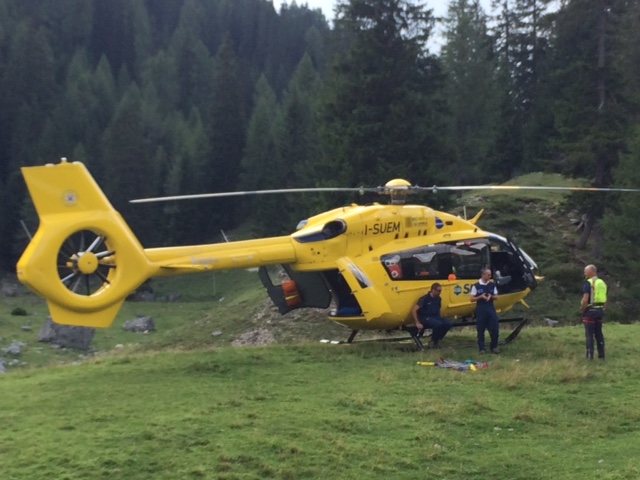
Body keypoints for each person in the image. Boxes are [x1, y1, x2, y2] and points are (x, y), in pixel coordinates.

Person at [411, 283, 452, 348]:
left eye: (441, 291)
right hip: (425, 317)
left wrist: (440, 317)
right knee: (438, 324)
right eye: (438, 291)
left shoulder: (438, 299)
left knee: (448, 323)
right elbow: (414, 310)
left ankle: (437, 339)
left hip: (435, 316)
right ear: (433, 290)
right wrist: (417, 322)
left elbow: (438, 309)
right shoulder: (424, 299)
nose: (440, 292)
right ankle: (433, 341)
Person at [581, 264, 607, 360]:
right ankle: (602, 355)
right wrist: (603, 309)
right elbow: (605, 297)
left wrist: (583, 310)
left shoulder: (589, 283)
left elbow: (585, 299)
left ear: (591, 272)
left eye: (585, 271)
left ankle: (589, 356)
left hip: (590, 310)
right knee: (599, 333)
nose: (584, 273)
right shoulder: (602, 283)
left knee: (589, 334)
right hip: (600, 310)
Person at [471, 268, 500, 354]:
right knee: (481, 330)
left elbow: (496, 297)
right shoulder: (476, 286)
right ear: (483, 275)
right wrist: (480, 297)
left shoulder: (492, 285)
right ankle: (482, 348)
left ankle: (494, 346)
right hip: (481, 309)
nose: (490, 276)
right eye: (488, 275)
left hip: (490, 308)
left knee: (494, 328)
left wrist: (491, 296)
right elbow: (472, 299)